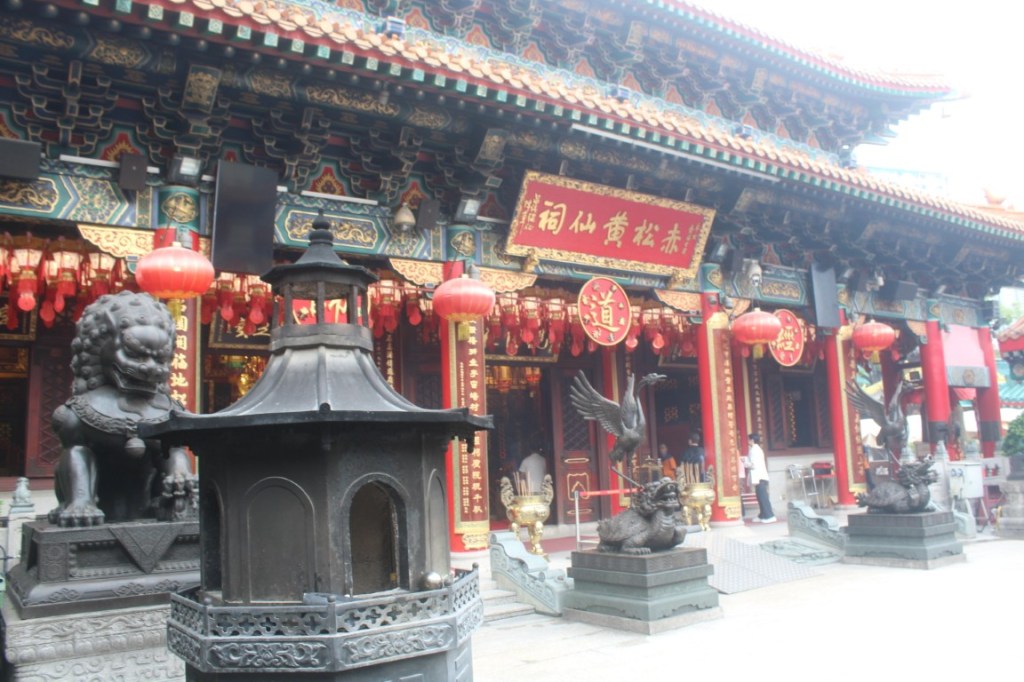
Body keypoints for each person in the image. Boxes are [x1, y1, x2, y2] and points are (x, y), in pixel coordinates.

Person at [747, 432, 776, 523]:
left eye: (749, 439)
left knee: (763, 497)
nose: (748, 441)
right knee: (760, 496)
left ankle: (769, 516)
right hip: (759, 476)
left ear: (752, 440)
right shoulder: (756, 449)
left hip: (759, 477)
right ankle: (763, 515)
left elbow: (753, 464)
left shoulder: (755, 450)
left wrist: (745, 463)